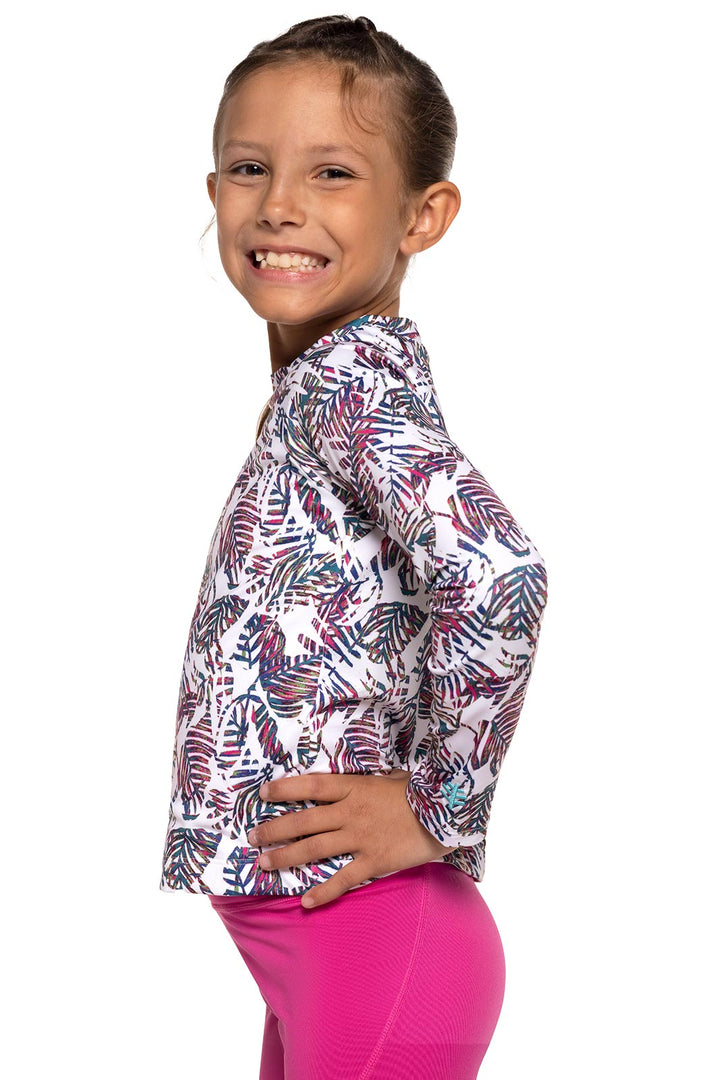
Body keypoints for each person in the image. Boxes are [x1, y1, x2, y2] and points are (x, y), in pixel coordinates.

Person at [159, 15, 548, 1079]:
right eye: (250, 167)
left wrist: (439, 804)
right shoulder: (322, 383)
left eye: (332, 172)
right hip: (333, 947)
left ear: (423, 215)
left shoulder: (348, 380)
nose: (279, 204)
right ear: (213, 190)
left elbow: (499, 571)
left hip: (375, 938)